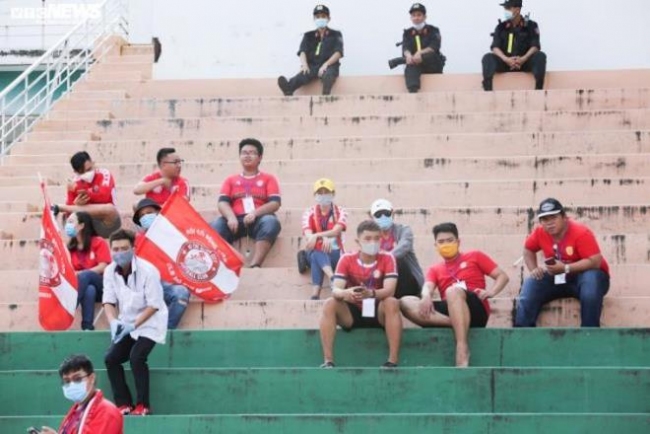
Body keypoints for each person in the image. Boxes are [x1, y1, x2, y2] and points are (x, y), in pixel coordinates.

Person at [400, 222, 509, 367]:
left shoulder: (475, 256)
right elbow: (427, 286)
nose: (445, 244)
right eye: (441, 242)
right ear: (436, 245)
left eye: (449, 240)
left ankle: (462, 347)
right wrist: (426, 296)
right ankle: (457, 322)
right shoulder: (435, 269)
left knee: (452, 291)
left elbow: (502, 276)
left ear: (458, 242)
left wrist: (492, 292)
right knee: (405, 302)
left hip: (474, 305)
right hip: (450, 309)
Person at [515, 198, 610, 327]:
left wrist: (565, 268)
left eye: (554, 218)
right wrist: (534, 269)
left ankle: (589, 331)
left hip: (585, 278)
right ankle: (523, 332)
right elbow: (528, 250)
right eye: (545, 219)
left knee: (591, 279)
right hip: (557, 276)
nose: (549, 223)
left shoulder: (581, 232)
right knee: (531, 283)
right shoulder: (539, 232)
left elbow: (595, 261)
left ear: (564, 217)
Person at [319, 220, 402, 368]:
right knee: (330, 303)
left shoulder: (388, 258)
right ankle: (328, 361)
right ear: (358, 241)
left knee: (392, 302)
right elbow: (335, 289)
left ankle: (392, 361)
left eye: (376, 238)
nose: (373, 242)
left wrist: (370, 293)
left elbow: (390, 290)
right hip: (353, 311)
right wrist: (346, 293)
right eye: (368, 239)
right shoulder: (346, 259)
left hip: (378, 311)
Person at [103, 229, 168, 416]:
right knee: (111, 358)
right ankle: (123, 404)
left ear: (133, 249)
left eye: (124, 248)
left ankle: (143, 405)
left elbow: (154, 305)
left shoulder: (148, 271)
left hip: (150, 322)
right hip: (126, 323)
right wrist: (113, 322)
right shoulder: (109, 271)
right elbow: (108, 301)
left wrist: (134, 325)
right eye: (115, 249)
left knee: (136, 357)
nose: (119, 253)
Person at [210, 138, 282, 268]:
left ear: (260, 157)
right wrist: (230, 217)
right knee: (216, 225)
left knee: (271, 222)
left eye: (252, 153)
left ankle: (255, 264)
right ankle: (226, 265)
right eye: (244, 153)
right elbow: (222, 203)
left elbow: (275, 203)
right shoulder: (230, 180)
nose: (247, 156)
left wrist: (255, 213)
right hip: (235, 221)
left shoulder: (269, 179)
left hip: (259, 219)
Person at [133, 198, 190, 329]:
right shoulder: (138, 240)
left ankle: (164, 330)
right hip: (147, 283)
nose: (145, 217)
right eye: (142, 215)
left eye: (149, 213)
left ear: (159, 213)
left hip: (171, 283)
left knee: (181, 293)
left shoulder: (173, 235)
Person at [36, 354, 123, 434]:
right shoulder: (76, 411)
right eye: (67, 381)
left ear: (92, 378)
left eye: (77, 379)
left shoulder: (107, 412)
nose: (72, 384)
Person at [277, 4, 344, 96]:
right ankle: (288, 88)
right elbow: (302, 51)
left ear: (329, 18)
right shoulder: (308, 35)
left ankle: (325, 94)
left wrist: (326, 64)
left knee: (328, 75)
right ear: (314, 19)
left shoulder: (336, 34)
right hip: (312, 66)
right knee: (304, 74)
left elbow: (338, 52)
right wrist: (304, 65)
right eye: (318, 17)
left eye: (323, 16)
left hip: (329, 65)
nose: (320, 19)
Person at [52, 151, 121, 238]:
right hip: (86, 225)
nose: (88, 174)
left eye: (89, 169)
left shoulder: (104, 174)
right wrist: (75, 204)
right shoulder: (74, 182)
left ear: (92, 162)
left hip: (107, 223)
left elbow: (104, 196)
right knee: (70, 220)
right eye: (83, 172)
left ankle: (60, 207)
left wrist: (82, 192)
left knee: (109, 209)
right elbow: (70, 214)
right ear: (76, 172)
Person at [481, 0, 546, 91]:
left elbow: (535, 46)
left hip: (525, 62)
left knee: (540, 56)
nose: (506, 10)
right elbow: (495, 47)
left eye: (508, 8)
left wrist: (523, 59)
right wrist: (506, 59)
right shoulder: (501, 27)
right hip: (505, 62)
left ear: (517, 9)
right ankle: (487, 90)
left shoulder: (531, 25)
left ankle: (539, 88)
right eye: (505, 8)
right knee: (488, 58)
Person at [301, 178, 348, 300]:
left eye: (326, 192)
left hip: (335, 252)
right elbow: (308, 235)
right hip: (314, 249)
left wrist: (318, 235)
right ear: (315, 195)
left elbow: (336, 231)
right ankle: (333, 277)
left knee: (315, 256)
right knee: (317, 251)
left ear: (333, 194)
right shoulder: (308, 213)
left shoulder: (340, 211)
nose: (323, 195)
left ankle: (315, 294)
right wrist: (321, 239)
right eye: (320, 193)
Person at [65, 211, 111, 331]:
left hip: (103, 286)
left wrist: (81, 273)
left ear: (81, 225)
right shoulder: (70, 248)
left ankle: (68, 309)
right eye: (67, 222)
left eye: (71, 221)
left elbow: (103, 266)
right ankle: (87, 326)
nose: (67, 225)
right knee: (89, 289)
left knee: (86, 275)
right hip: (83, 287)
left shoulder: (98, 242)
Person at [370, 199, 424, 298]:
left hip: (407, 280)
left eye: (386, 213)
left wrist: (383, 260)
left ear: (392, 213)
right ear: (372, 217)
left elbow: (404, 247)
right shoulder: (371, 236)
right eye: (378, 215)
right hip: (382, 279)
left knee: (397, 261)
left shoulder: (403, 230)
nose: (383, 217)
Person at [389, 3, 446, 93]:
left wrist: (420, 53)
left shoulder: (433, 30)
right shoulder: (407, 33)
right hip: (415, 64)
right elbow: (405, 48)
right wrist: (408, 56)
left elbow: (434, 47)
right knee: (410, 66)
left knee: (430, 55)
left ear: (424, 17)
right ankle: (413, 90)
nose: (416, 18)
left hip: (432, 64)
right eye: (414, 15)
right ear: (411, 18)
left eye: (419, 15)